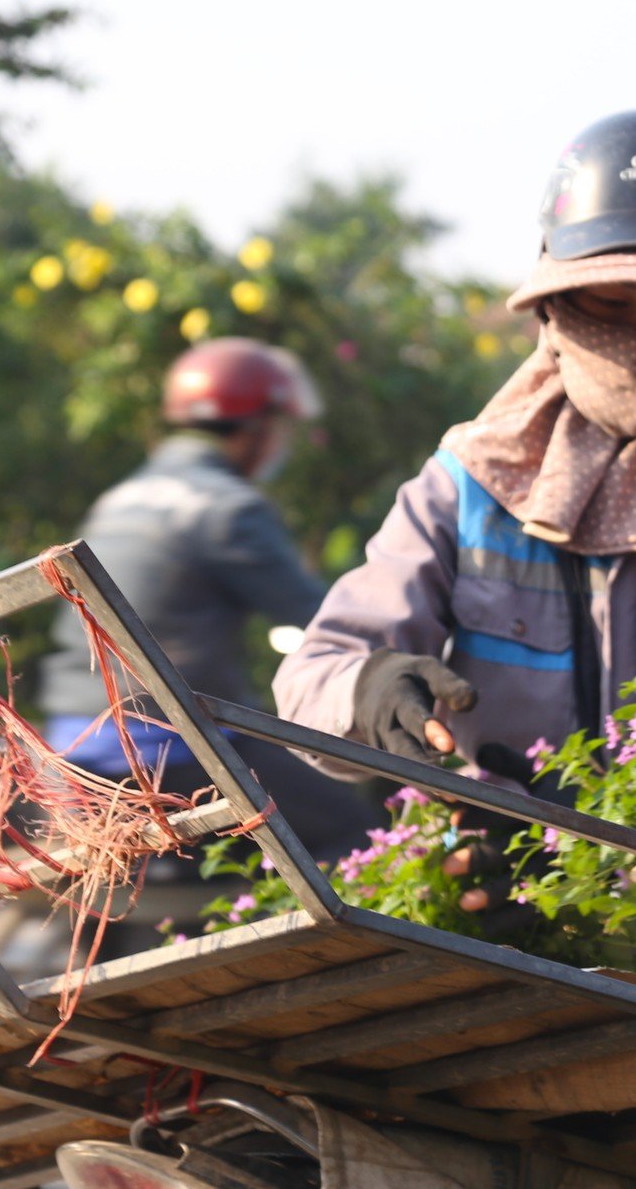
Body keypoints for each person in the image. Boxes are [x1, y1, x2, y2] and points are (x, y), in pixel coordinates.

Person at [274, 105, 636, 915]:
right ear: (556, 304)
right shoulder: (474, 479)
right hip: (485, 904)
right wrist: (371, 688)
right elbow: (312, 675)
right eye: (611, 305)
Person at [39, 337, 380, 861]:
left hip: (71, 749)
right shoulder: (228, 508)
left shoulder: (119, 499)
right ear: (256, 429)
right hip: (170, 752)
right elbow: (320, 617)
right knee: (356, 829)